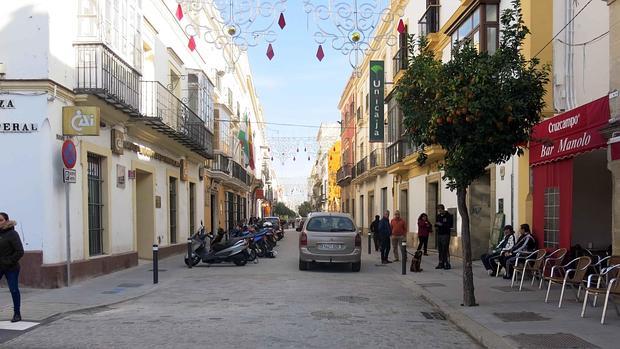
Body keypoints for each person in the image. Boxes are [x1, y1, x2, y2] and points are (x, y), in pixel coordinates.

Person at [0, 212, 24, 323]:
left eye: (1, 220)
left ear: (6, 221)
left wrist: (7, 261)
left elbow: (20, 251)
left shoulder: (12, 234)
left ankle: (17, 313)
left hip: (11, 267)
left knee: (13, 290)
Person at [435, 204, 453, 270]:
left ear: (443, 209)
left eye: (440, 210)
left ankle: (447, 263)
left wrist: (442, 224)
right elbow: (436, 223)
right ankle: (440, 263)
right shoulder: (438, 216)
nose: (439, 211)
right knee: (440, 249)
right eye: (438, 210)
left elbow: (450, 225)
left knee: (445, 249)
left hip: (446, 234)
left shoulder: (449, 216)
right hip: (439, 234)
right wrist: (437, 225)